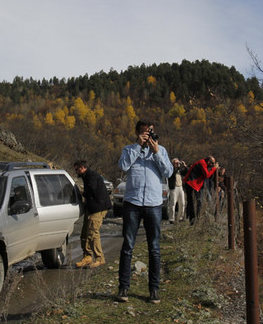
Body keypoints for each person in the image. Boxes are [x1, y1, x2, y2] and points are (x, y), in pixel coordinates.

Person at [116, 120, 174, 304]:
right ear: (137, 133)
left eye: (150, 132)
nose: (148, 136)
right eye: (144, 133)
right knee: (127, 247)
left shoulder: (161, 150)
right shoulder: (128, 149)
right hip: (132, 202)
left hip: (154, 203)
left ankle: (154, 290)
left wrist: (156, 153)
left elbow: (168, 172)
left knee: (154, 249)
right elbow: (123, 166)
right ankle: (123, 288)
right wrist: (138, 147)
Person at [73, 160, 112, 269]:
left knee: (93, 233)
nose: (76, 171)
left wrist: (82, 193)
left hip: (97, 208)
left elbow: (92, 190)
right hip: (91, 208)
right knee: (85, 234)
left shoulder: (91, 176)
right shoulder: (87, 176)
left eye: (77, 169)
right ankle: (87, 257)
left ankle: (100, 258)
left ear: (82, 167)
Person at [183, 156, 222, 223]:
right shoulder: (202, 163)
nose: (213, 165)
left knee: (198, 201)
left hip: (196, 184)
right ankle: (193, 218)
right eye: (212, 163)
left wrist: (213, 168)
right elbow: (207, 175)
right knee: (193, 201)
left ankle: (196, 218)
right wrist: (214, 168)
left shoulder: (203, 163)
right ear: (208, 161)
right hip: (191, 183)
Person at [167, 158, 187, 223]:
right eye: (176, 163)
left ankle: (180, 217)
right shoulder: (171, 170)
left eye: (178, 163)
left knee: (182, 203)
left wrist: (184, 166)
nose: (177, 164)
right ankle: (171, 218)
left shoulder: (179, 171)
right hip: (174, 188)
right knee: (173, 204)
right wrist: (178, 167)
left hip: (180, 187)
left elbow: (187, 172)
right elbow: (173, 174)